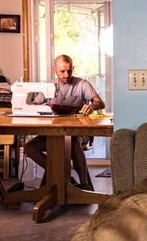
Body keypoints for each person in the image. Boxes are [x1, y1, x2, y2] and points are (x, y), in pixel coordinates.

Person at [24, 55, 105, 191]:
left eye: (69, 71)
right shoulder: (49, 86)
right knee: (29, 148)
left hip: (78, 133)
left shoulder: (82, 84)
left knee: (72, 142)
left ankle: (83, 184)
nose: (66, 75)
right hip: (53, 134)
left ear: (73, 68)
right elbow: (34, 104)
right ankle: (64, 176)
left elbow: (100, 103)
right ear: (54, 70)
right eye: (62, 71)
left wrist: (92, 106)